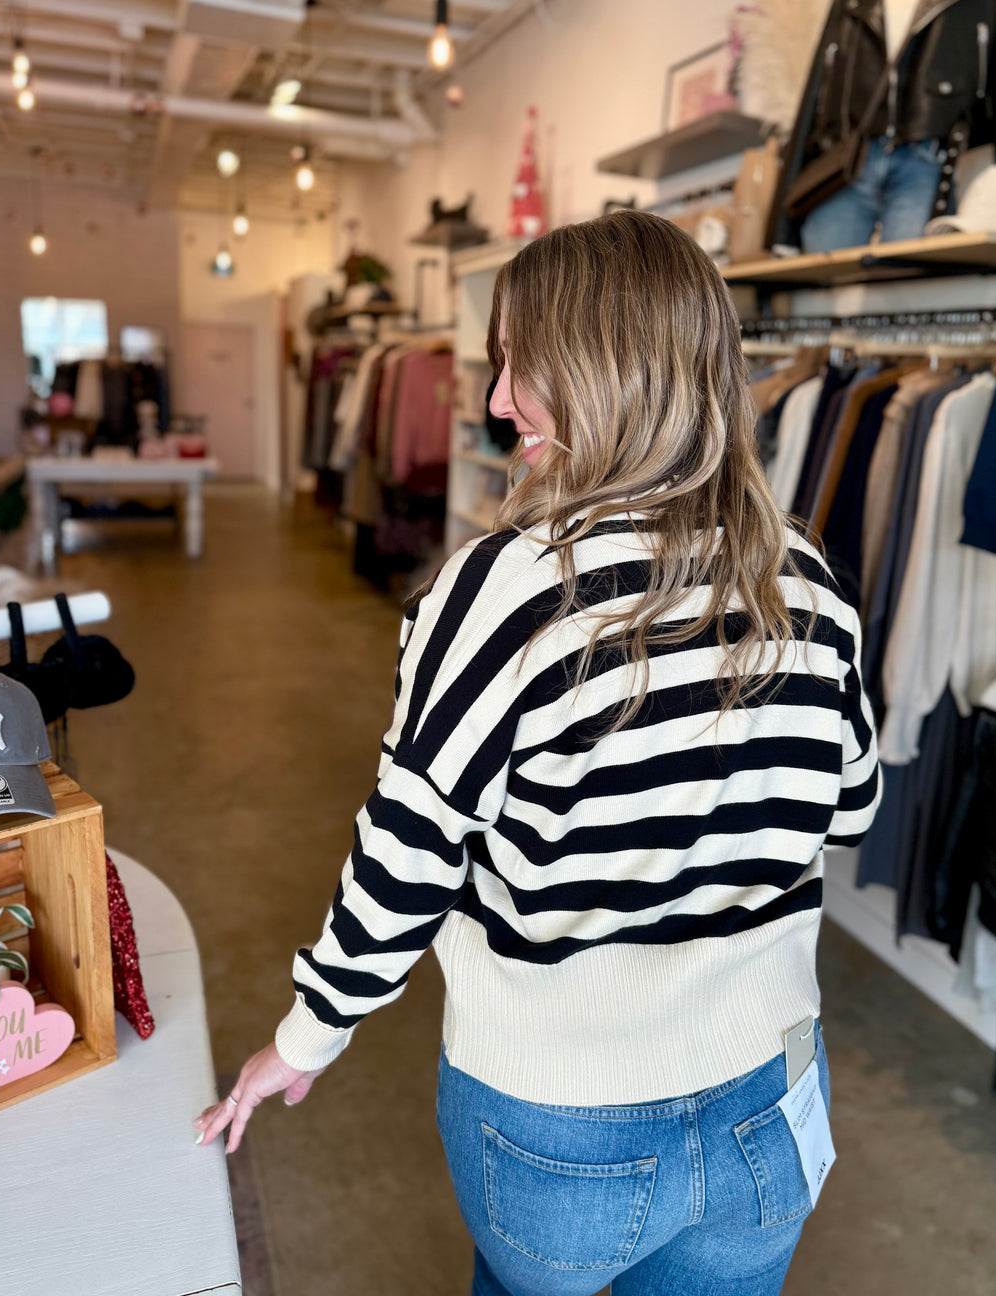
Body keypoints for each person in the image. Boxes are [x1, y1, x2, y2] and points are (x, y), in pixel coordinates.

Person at [195, 210, 881, 1295]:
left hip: (561, 1133)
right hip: (768, 1104)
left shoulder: (506, 588)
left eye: (523, 365)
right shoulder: (806, 578)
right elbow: (847, 812)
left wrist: (306, 1037)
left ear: (611, 373)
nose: (497, 398)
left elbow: (408, 858)